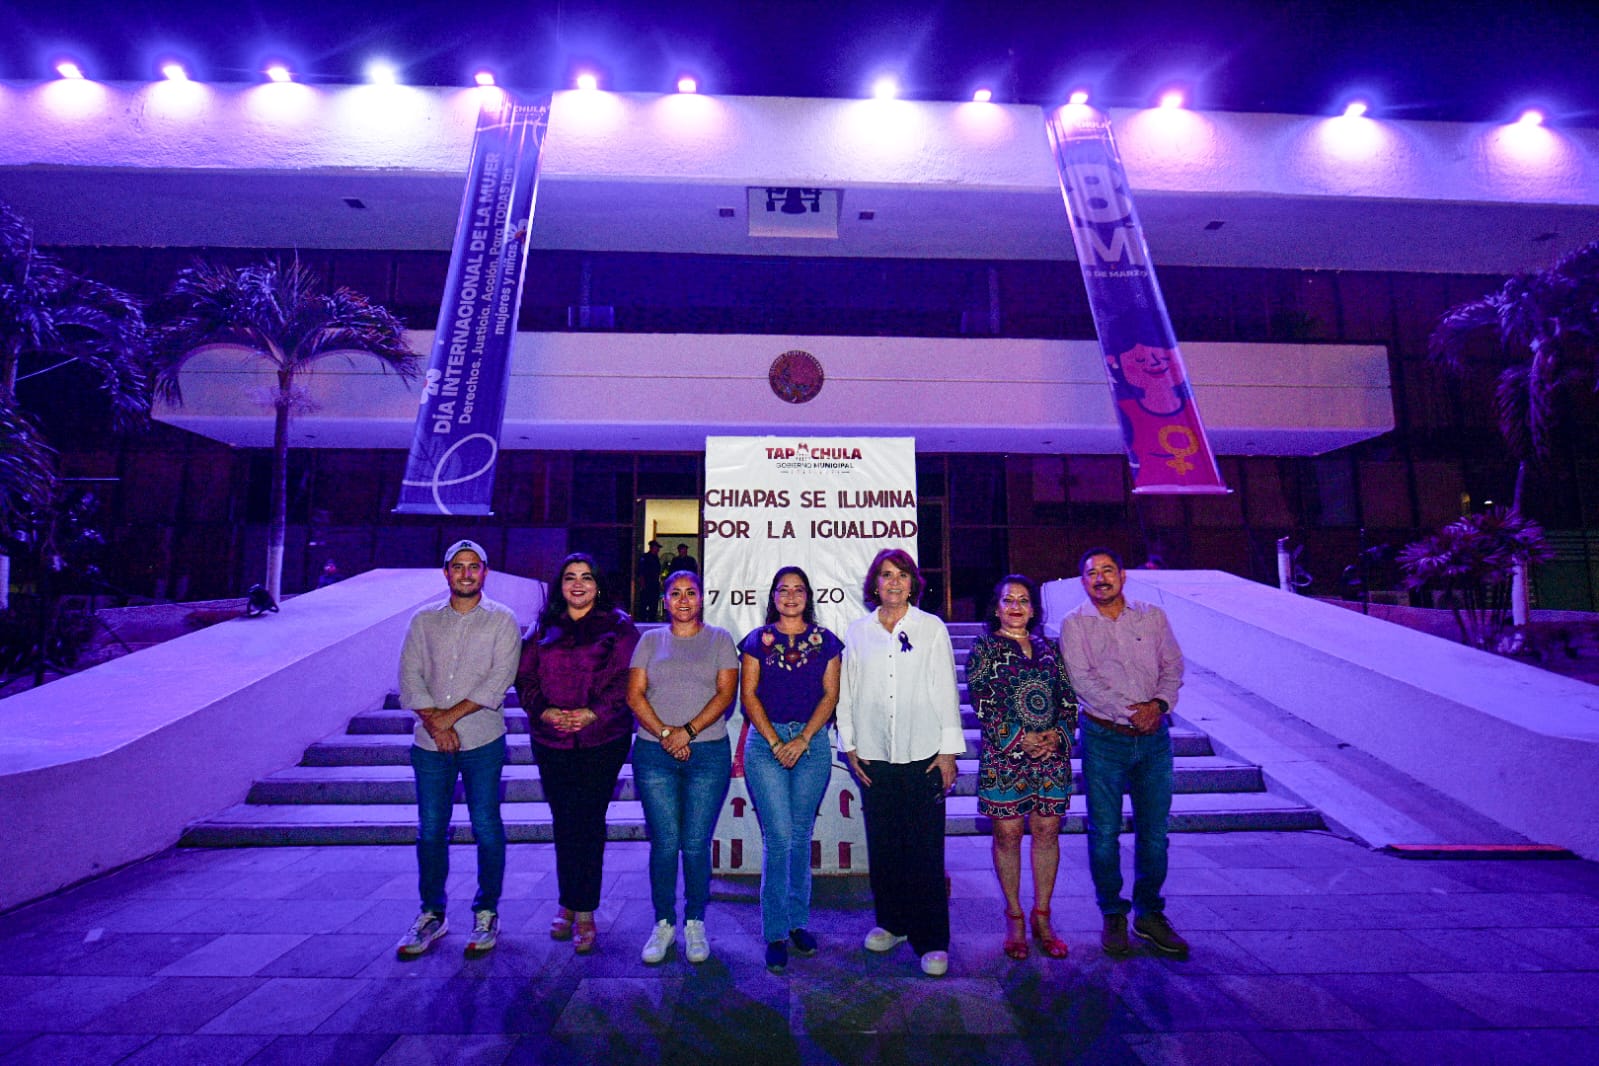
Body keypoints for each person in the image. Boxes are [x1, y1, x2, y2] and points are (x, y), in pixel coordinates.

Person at [837, 549, 963, 978]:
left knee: (925, 850)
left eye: (902, 575)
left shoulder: (931, 629)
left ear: (913, 584)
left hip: (923, 754)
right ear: (875, 584)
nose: (894, 582)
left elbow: (946, 689)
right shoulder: (858, 631)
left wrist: (948, 752)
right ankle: (892, 923)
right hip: (875, 754)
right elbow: (848, 691)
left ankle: (932, 939)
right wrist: (851, 745)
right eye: (886, 575)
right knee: (885, 844)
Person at [1058, 547, 1189, 958]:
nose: (1100, 578)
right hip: (1104, 738)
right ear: (1083, 581)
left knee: (1155, 833)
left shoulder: (1152, 616)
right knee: (1104, 833)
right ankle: (1112, 913)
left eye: (1107, 570)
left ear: (1122, 575)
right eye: (1091, 572)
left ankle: (1150, 914)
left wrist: (1159, 706)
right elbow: (1082, 682)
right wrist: (1134, 713)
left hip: (1154, 740)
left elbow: (1173, 666)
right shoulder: (1074, 624)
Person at [395, 539, 522, 959]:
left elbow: (498, 682)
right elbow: (409, 677)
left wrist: (446, 719)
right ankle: (432, 913)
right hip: (429, 744)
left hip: (482, 740)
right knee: (431, 829)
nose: (466, 574)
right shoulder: (423, 621)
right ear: (446, 572)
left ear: (485, 572)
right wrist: (436, 724)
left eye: (473, 566)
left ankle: (486, 912)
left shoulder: (503, 620)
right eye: (458, 566)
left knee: (486, 826)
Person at [515, 553, 640, 955]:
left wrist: (592, 713)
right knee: (564, 820)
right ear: (561, 585)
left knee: (588, 820)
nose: (578, 584)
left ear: (598, 584)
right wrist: (545, 711)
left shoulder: (619, 626)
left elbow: (628, 678)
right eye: (570, 577)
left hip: (601, 738)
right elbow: (525, 677)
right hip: (551, 739)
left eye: (587, 577)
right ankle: (568, 900)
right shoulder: (542, 626)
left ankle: (584, 910)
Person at [627, 569, 738, 964]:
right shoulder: (649, 641)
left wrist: (686, 733)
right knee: (664, 842)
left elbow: (726, 694)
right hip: (654, 754)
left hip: (707, 754)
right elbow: (635, 695)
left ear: (701, 598)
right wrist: (665, 734)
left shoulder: (720, 639)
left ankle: (694, 922)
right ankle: (663, 923)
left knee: (694, 843)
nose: (684, 600)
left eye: (691, 592)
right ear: (665, 600)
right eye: (676, 593)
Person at [739, 566, 843, 974]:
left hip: (811, 744)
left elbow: (830, 695)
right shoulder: (757, 640)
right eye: (783, 590)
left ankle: (798, 923)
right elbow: (748, 695)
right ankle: (775, 933)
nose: (791, 596)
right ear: (773, 596)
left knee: (801, 836)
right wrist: (776, 741)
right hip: (765, 744)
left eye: (799, 590)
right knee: (779, 837)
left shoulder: (827, 642)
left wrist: (802, 739)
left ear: (808, 596)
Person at [968, 574, 1078, 961]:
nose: (1016, 606)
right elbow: (981, 700)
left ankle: (1042, 917)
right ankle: (1014, 917)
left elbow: (1068, 698)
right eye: (1008, 600)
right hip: (1005, 758)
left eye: (1023, 600)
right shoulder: (985, 648)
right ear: (996, 608)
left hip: (1051, 758)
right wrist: (1018, 737)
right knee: (1008, 835)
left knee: (1047, 832)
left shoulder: (1049, 649)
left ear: (1033, 609)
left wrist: (1057, 735)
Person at [635, 540, 663, 621]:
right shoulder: (645, 557)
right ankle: (642, 620)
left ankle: (652, 620)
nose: (658, 550)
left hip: (654, 584)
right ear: (652, 547)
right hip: (647, 584)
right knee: (644, 603)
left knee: (653, 604)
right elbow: (641, 572)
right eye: (656, 548)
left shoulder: (656, 558)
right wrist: (642, 584)